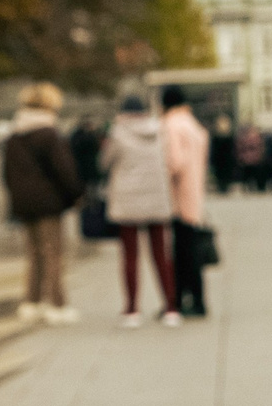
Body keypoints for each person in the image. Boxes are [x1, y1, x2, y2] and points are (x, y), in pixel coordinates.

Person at [1, 83, 84, 325]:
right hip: (48, 202)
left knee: (34, 253)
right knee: (53, 253)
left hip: (24, 203)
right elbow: (64, 170)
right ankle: (57, 304)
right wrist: (75, 194)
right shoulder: (49, 134)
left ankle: (32, 302)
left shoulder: (13, 136)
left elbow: (6, 174)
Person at [99, 94, 180, 327]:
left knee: (130, 256)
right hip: (156, 197)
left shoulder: (117, 133)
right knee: (161, 255)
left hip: (128, 200)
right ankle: (171, 308)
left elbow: (105, 163)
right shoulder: (160, 131)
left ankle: (132, 309)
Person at [164, 86, 213, 319]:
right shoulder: (194, 125)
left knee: (182, 252)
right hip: (194, 193)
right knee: (190, 249)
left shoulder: (172, 125)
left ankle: (185, 299)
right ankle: (197, 299)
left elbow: (174, 161)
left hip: (178, 196)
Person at [207, 113, 237, 195]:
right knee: (221, 178)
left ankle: (225, 186)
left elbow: (233, 152)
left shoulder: (230, 138)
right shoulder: (216, 139)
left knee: (225, 178)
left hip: (227, 163)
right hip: (219, 163)